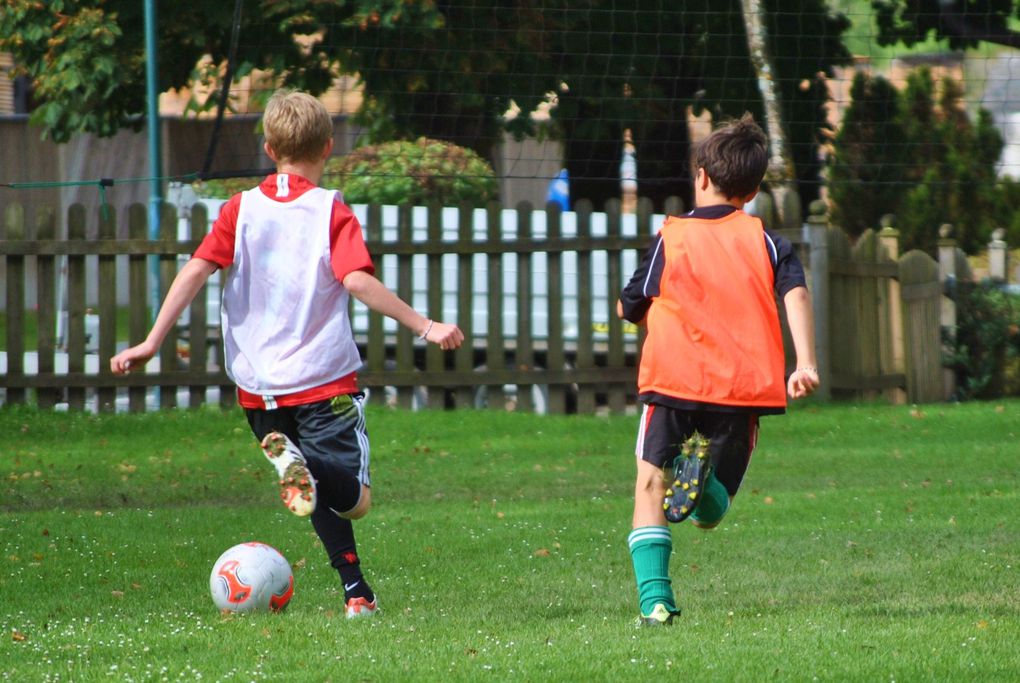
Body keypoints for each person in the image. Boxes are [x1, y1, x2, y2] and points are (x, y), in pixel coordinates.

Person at [110, 90, 464, 619]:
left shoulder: (240, 209)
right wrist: (426, 325)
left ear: (270, 147)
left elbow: (195, 271)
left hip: (258, 390)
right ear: (328, 147)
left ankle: (357, 594)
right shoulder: (329, 210)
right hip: (323, 384)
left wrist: (152, 341)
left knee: (312, 490)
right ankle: (315, 472)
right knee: (356, 500)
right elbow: (358, 281)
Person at [616, 113, 819, 626]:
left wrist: (636, 307)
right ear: (750, 193)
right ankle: (704, 487)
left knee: (649, 482)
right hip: (742, 387)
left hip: (674, 378)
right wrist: (806, 362)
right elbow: (794, 290)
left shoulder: (673, 236)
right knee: (712, 514)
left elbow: (629, 305)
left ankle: (655, 601)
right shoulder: (768, 242)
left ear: (701, 177)